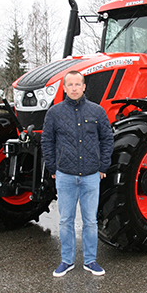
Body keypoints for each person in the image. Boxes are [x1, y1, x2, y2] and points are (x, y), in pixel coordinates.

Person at [41, 70, 114, 276]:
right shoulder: (54, 113)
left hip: (91, 175)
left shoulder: (97, 111)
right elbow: (47, 141)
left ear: (84, 87)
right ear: (64, 88)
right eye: (70, 85)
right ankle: (67, 260)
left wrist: (103, 166)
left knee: (90, 221)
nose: (74, 88)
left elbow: (107, 139)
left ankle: (90, 261)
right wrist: (53, 167)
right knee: (66, 220)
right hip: (65, 175)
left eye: (77, 84)